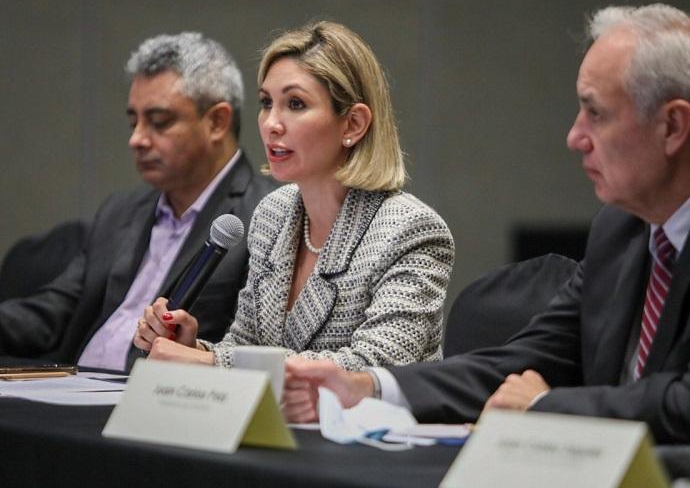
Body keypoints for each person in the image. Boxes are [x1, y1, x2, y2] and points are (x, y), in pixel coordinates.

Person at [283, 4, 690, 460]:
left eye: (596, 113)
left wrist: (544, 405)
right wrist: (369, 387)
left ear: (673, 126)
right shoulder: (622, 228)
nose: (575, 137)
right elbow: (523, 361)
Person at [134, 21, 454, 371]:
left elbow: (374, 366)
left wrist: (209, 362)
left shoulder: (412, 230)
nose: (271, 123)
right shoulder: (273, 214)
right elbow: (244, 345)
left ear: (353, 125)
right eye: (266, 103)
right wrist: (192, 346)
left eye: (296, 104)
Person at [0, 32, 276, 371]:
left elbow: (254, 348)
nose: (137, 139)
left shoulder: (267, 215)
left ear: (217, 122)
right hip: (73, 387)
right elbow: (55, 311)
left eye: (159, 122)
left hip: (162, 401)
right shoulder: (120, 211)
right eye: (134, 122)